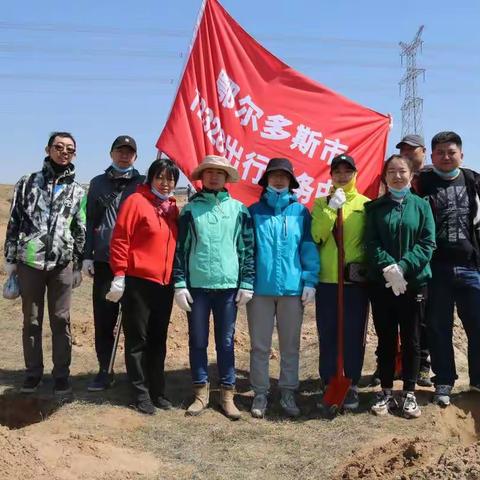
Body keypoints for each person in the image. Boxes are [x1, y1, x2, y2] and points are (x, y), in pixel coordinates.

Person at [4, 131, 86, 395]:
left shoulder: (77, 190)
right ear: (48, 149)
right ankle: (33, 373)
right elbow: (15, 221)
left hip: (62, 264)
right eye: (59, 147)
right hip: (30, 262)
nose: (64, 152)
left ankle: (61, 374)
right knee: (32, 320)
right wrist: (11, 259)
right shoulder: (27, 182)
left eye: (70, 149)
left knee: (61, 320)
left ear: (74, 154)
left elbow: (79, 227)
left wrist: (77, 261)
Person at [173, 155, 254, 420]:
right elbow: (181, 250)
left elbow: (246, 249)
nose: (214, 176)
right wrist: (180, 283)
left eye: (220, 172)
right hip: (197, 286)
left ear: (226, 178)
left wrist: (247, 282)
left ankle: (227, 395)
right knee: (197, 340)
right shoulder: (189, 210)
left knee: (226, 342)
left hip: (228, 287)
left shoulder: (239, 210)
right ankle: (200, 393)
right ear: (202, 176)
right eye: (209, 172)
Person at [106, 159, 179, 415]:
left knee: (158, 340)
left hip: (164, 283)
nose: (165, 183)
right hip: (138, 281)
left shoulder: (172, 208)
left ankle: (157, 390)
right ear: (150, 178)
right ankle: (139, 393)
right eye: (160, 177)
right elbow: (120, 238)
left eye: (170, 179)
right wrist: (119, 273)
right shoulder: (136, 202)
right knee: (138, 340)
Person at [247, 158, 319, 418]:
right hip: (260, 290)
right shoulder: (254, 211)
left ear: (291, 181)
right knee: (260, 345)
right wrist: (246, 282)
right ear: (266, 180)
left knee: (290, 345)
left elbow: (308, 247)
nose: (278, 180)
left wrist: (310, 280)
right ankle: (260, 392)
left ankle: (288, 390)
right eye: (274, 175)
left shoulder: (300, 213)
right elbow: (248, 250)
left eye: (284, 176)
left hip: (292, 289)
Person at [365, 154, 435, 418]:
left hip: (414, 283)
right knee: (385, 338)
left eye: (402, 171)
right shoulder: (375, 208)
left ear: (411, 174)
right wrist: (388, 268)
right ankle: (385, 391)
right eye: (391, 171)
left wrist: (403, 267)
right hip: (382, 284)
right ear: (385, 176)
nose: (397, 176)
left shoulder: (422, 206)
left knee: (412, 339)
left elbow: (427, 243)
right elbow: (370, 243)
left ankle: (408, 392)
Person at [416, 131, 480, 407]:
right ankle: (444, 380)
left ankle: (477, 380)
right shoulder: (423, 183)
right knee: (439, 327)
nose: (445, 157)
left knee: (477, 325)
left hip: (471, 267)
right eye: (440, 153)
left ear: (461, 155)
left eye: (451, 152)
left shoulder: (473, 181)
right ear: (432, 157)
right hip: (436, 268)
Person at [82, 135, 144, 392]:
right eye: (120, 150)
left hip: (134, 264)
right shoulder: (97, 183)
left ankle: (135, 374)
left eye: (129, 152)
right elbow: (89, 221)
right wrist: (86, 255)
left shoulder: (143, 184)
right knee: (104, 320)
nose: (124, 155)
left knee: (134, 322)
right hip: (105, 261)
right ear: (111, 153)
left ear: (135, 157)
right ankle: (103, 370)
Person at [311, 154, 369, 410]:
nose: (343, 176)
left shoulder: (366, 204)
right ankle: (329, 380)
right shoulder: (321, 203)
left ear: (355, 173)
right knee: (328, 332)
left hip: (355, 282)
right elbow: (317, 235)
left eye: (348, 171)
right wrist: (331, 209)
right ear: (331, 175)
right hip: (327, 280)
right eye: (338, 171)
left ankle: (352, 382)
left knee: (354, 333)